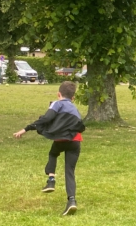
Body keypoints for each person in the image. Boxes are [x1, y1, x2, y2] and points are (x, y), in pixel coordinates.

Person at [13, 81, 85, 216]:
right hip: (75, 141)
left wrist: (26, 129)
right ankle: (72, 201)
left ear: (59, 94)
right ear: (73, 98)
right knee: (69, 171)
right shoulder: (74, 108)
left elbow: (47, 118)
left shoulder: (57, 103)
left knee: (53, 154)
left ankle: (51, 180)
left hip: (60, 140)